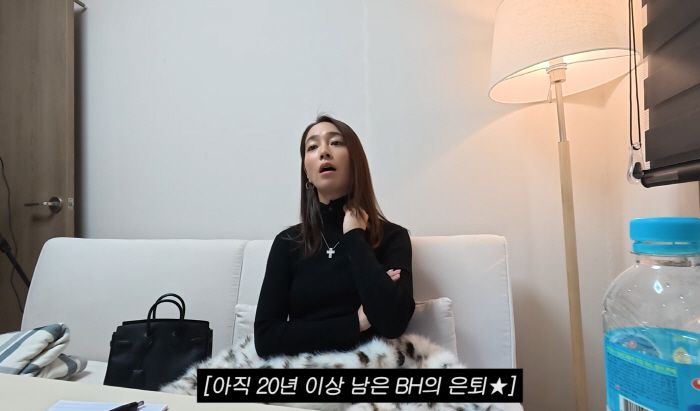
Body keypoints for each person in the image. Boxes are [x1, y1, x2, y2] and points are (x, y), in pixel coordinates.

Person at [254, 115, 415, 357]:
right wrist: (354, 324)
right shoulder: (288, 243)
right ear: (307, 172)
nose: (324, 152)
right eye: (312, 147)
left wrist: (354, 236)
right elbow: (265, 339)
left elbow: (393, 322)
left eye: (336, 142)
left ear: (355, 162)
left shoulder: (392, 237)